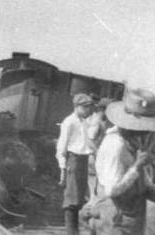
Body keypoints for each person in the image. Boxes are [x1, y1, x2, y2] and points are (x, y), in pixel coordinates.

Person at [92, 88, 155, 234]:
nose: (149, 130)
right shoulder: (116, 146)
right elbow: (112, 190)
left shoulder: (132, 143)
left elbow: (144, 185)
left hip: (132, 217)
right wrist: (137, 166)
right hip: (115, 218)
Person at [56, 93, 95, 235]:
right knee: (71, 198)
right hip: (73, 159)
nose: (87, 110)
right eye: (84, 107)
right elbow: (62, 146)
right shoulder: (69, 122)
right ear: (76, 106)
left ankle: (75, 230)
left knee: (79, 197)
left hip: (83, 160)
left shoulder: (84, 122)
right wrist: (62, 167)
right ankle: (71, 231)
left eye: (89, 107)